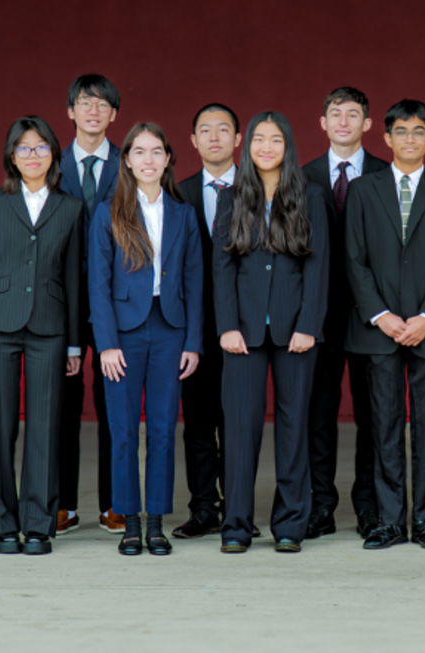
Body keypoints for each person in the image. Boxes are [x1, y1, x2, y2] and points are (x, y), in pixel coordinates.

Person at [0, 116, 83, 555]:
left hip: (49, 326)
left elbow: (72, 279)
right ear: (12, 156)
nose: (33, 156)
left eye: (42, 148)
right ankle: (2, 524)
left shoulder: (70, 207)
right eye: (25, 148)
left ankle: (39, 524)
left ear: (54, 155)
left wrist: (72, 343)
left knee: (45, 428)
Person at [345, 99, 425, 551]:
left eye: (419, 132)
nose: (410, 139)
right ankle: (389, 520)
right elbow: (353, 260)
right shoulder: (363, 190)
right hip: (378, 328)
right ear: (387, 137)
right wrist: (382, 315)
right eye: (402, 131)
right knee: (383, 424)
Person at [214, 111, 328, 554]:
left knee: (293, 427)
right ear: (248, 147)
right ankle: (237, 527)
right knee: (240, 431)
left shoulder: (310, 196)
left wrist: (309, 326)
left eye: (275, 139)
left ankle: (289, 525)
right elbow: (221, 267)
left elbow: (318, 268)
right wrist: (225, 326)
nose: (265, 147)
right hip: (241, 334)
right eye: (258, 139)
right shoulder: (231, 197)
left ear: (288, 146)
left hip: (294, 333)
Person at [89, 123, 203, 555]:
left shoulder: (182, 213)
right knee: (122, 431)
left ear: (169, 158)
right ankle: (129, 523)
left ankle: (155, 521)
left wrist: (193, 342)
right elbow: (97, 285)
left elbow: (195, 282)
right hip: (123, 333)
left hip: (170, 329)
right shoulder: (108, 212)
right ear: (128, 160)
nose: (149, 160)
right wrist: (106, 343)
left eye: (157, 151)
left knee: (161, 429)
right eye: (140, 152)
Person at [302, 87, 388, 540]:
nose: (343, 121)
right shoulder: (303, 176)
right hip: (318, 317)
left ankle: (369, 505)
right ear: (322, 122)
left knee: (374, 415)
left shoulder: (385, 173)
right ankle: (320, 505)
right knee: (319, 413)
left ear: (367, 124)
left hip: (372, 314)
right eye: (335, 113)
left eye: (353, 114)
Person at [57, 73, 124, 535]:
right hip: (59, 300)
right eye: (85, 102)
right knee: (61, 403)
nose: (93, 111)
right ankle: (61, 502)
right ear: (71, 112)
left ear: (114, 115)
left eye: (102, 104)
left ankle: (114, 502)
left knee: (113, 402)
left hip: (116, 301)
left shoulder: (132, 162)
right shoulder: (48, 162)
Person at [174, 103, 243, 539]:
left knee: (239, 423)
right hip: (194, 328)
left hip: (245, 328)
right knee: (198, 423)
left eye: (224, 129)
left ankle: (238, 509)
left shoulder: (260, 191)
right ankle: (203, 508)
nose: (214, 137)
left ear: (239, 140)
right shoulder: (176, 194)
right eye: (205, 130)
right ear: (193, 141)